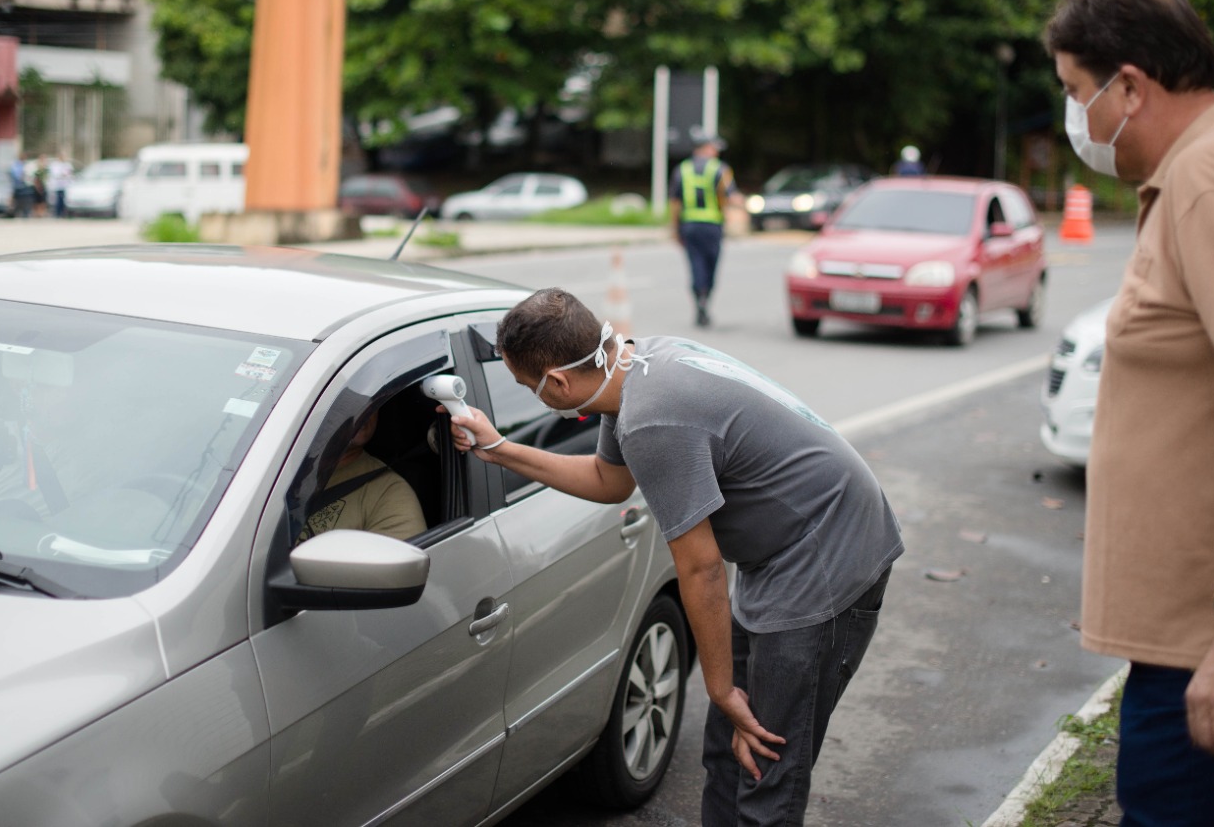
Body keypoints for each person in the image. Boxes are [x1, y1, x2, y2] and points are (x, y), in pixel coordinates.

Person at [445, 288, 903, 825]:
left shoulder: (653, 420)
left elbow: (701, 567)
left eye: (530, 387)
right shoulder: (638, 364)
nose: (534, 395)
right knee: (725, 753)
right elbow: (609, 481)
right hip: (783, 552)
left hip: (827, 562)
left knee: (765, 768)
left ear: (559, 381)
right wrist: (497, 448)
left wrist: (718, 686)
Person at [1045, 0, 1214, 822]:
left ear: (1130, 86)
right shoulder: (1198, 175)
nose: (1078, 118)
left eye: (1078, 92)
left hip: (1212, 653)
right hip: (1187, 647)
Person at [297, 410, 428, 543]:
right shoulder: (284, 467)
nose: (364, 411)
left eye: (372, 403)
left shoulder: (389, 491)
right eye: (351, 401)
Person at [669, 127, 737, 328]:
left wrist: (674, 229)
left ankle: (699, 299)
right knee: (711, 265)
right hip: (712, 226)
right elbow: (729, 197)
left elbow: (675, 203)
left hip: (689, 225)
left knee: (695, 264)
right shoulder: (721, 169)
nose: (716, 151)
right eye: (714, 147)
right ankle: (706, 298)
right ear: (706, 148)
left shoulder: (681, 170)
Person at [47, 152, 74, 218]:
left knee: (64, 200)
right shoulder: (55, 165)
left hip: (65, 185)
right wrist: (62, 174)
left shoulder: (67, 165)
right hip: (57, 185)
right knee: (58, 200)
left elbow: (70, 173)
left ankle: (63, 213)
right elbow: (55, 174)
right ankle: (57, 213)